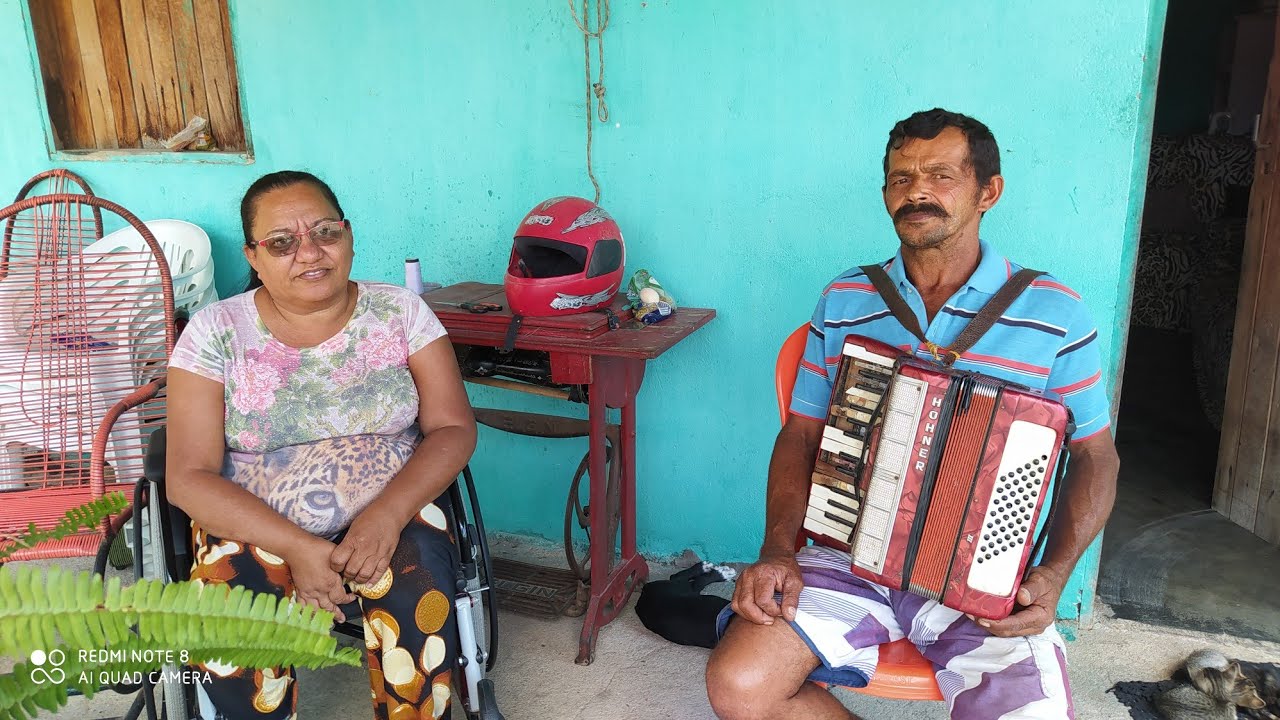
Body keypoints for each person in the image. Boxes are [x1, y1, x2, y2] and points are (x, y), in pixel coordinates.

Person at [705, 109, 1121, 720]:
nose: (917, 191)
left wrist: (1055, 573)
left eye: (940, 175)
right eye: (901, 179)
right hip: (847, 559)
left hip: (981, 578)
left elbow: (1094, 455)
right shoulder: (846, 299)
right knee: (740, 685)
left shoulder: (1055, 313)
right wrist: (777, 548)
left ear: (989, 192)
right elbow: (801, 435)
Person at [166, 170, 477, 719]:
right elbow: (188, 476)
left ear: (350, 235)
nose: (309, 252)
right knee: (232, 610)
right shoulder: (214, 331)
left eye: (325, 232)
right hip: (254, 522)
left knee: (418, 582)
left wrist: (385, 515)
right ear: (254, 257)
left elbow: (452, 428)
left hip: (392, 507)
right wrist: (299, 549)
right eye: (282, 242)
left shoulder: (402, 312)